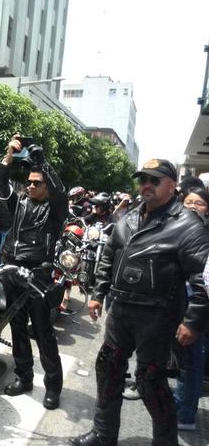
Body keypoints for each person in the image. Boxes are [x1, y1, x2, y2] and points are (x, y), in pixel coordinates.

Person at [70, 159, 209, 446]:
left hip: (159, 316)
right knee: (108, 370)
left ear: (172, 186)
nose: (146, 185)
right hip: (120, 310)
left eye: (154, 180)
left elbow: (202, 279)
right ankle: (103, 434)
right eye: (143, 179)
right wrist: (97, 295)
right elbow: (109, 256)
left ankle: (165, 441)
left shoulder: (188, 225)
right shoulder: (129, 217)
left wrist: (193, 322)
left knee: (150, 381)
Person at [0, 136, 68, 411]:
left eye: (38, 182)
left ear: (46, 186)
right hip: (12, 269)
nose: (31, 185)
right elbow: (0, 185)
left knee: (42, 331)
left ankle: (52, 387)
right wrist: (8, 155)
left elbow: (60, 193)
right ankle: (24, 377)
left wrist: (42, 163)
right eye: (30, 182)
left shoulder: (55, 209)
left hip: (38, 275)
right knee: (16, 328)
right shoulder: (19, 204)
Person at [172, 186, 209, 431]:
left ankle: (185, 415)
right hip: (177, 301)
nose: (193, 206)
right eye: (189, 202)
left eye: (200, 203)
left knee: (192, 360)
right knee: (183, 359)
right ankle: (181, 404)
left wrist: (194, 319)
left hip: (199, 306)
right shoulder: (177, 229)